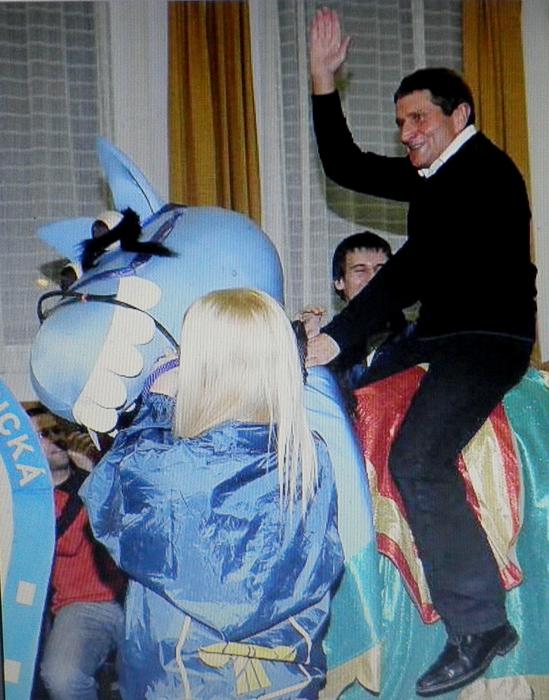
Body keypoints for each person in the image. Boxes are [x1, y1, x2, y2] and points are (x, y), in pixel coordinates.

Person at [307, 7, 536, 698]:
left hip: (486, 341)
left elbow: (410, 268)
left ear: (458, 115)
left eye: (418, 119)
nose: (406, 133)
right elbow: (345, 164)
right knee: (349, 403)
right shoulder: (437, 175)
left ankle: (479, 624)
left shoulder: (483, 174)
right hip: (434, 335)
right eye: (400, 122)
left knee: (416, 458)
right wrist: (322, 82)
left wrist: (339, 333)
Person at [80, 288, 345, 699]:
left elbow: (107, 502)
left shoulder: (164, 466)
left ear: (201, 369)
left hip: (177, 681)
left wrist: (157, 403)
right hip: (285, 683)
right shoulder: (309, 458)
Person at [27, 404, 125, 700]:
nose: (55, 438)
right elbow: (64, 541)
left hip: (136, 597)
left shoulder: (95, 472)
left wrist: (95, 476)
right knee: (62, 676)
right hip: (84, 605)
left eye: (56, 430)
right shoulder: (31, 502)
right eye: (43, 435)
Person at [300, 230, 410, 392]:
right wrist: (303, 341)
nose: (373, 279)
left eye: (382, 271)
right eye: (360, 271)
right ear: (339, 282)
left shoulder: (416, 338)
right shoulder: (327, 344)